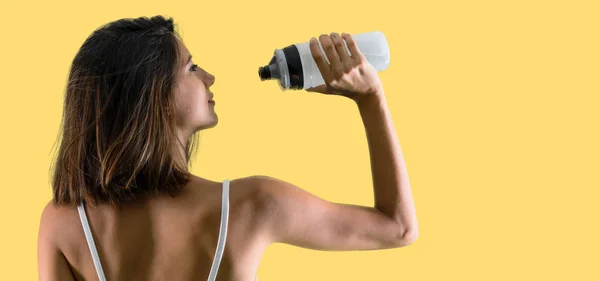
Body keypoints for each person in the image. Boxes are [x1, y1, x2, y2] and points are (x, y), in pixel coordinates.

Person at [37, 15, 418, 281]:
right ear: (152, 96)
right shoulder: (252, 204)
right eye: (190, 68)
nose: (209, 77)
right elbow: (398, 228)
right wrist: (371, 99)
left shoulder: (64, 222)